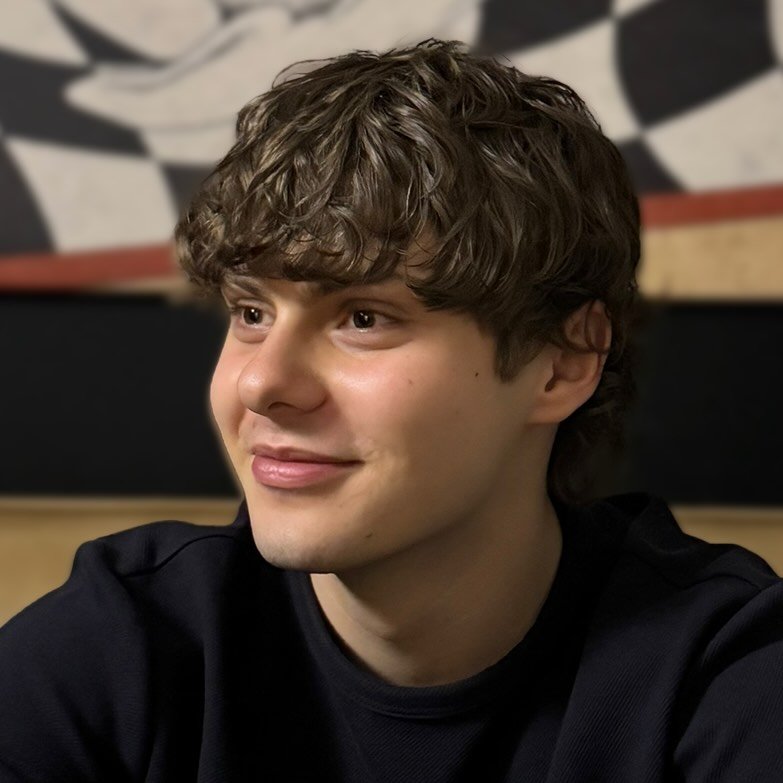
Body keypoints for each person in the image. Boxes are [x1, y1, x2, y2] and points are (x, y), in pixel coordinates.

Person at [1, 39, 781, 782]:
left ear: (563, 359)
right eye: (251, 312)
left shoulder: (723, 673)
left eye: (363, 318)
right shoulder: (126, 641)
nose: (261, 383)